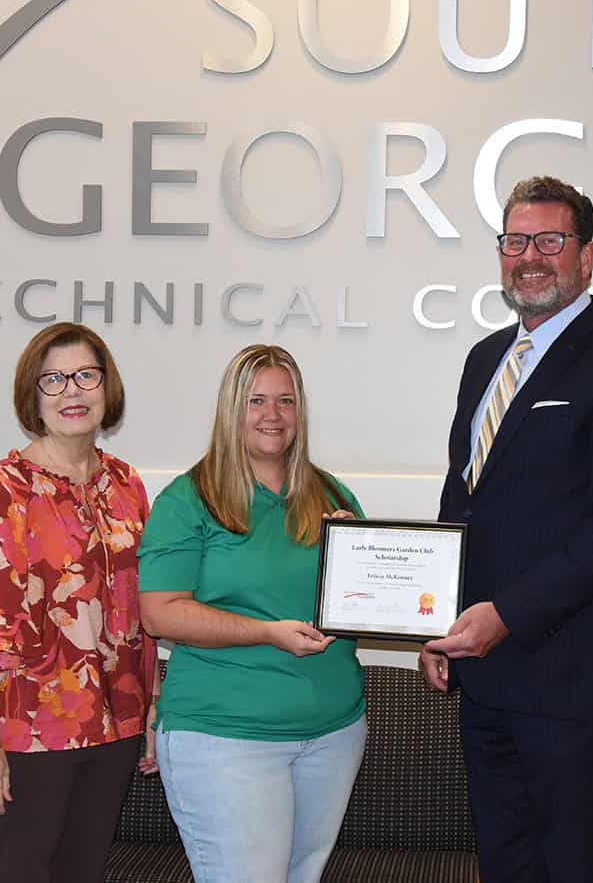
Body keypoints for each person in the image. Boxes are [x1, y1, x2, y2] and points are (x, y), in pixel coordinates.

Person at [421, 176, 593, 882]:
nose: (529, 256)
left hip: (575, 682)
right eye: (515, 241)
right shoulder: (484, 360)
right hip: (488, 677)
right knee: (507, 864)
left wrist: (504, 615)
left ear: (586, 257)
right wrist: (435, 617)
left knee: (585, 868)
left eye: (549, 241)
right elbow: (463, 497)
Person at [0, 323, 157, 883]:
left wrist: (152, 708)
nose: (71, 392)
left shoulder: (126, 484)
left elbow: (144, 612)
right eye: (52, 380)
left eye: (85, 376)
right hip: (31, 734)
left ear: (107, 388)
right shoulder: (10, 486)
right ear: (32, 396)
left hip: (116, 729)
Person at [138, 344, 366, 883]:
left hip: (332, 733)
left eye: (285, 401)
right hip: (225, 737)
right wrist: (267, 632)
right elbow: (161, 615)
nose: (272, 415)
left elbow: (364, 601)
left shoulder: (331, 495)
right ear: (230, 409)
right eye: (256, 401)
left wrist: (350, 550)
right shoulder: (189, 499)